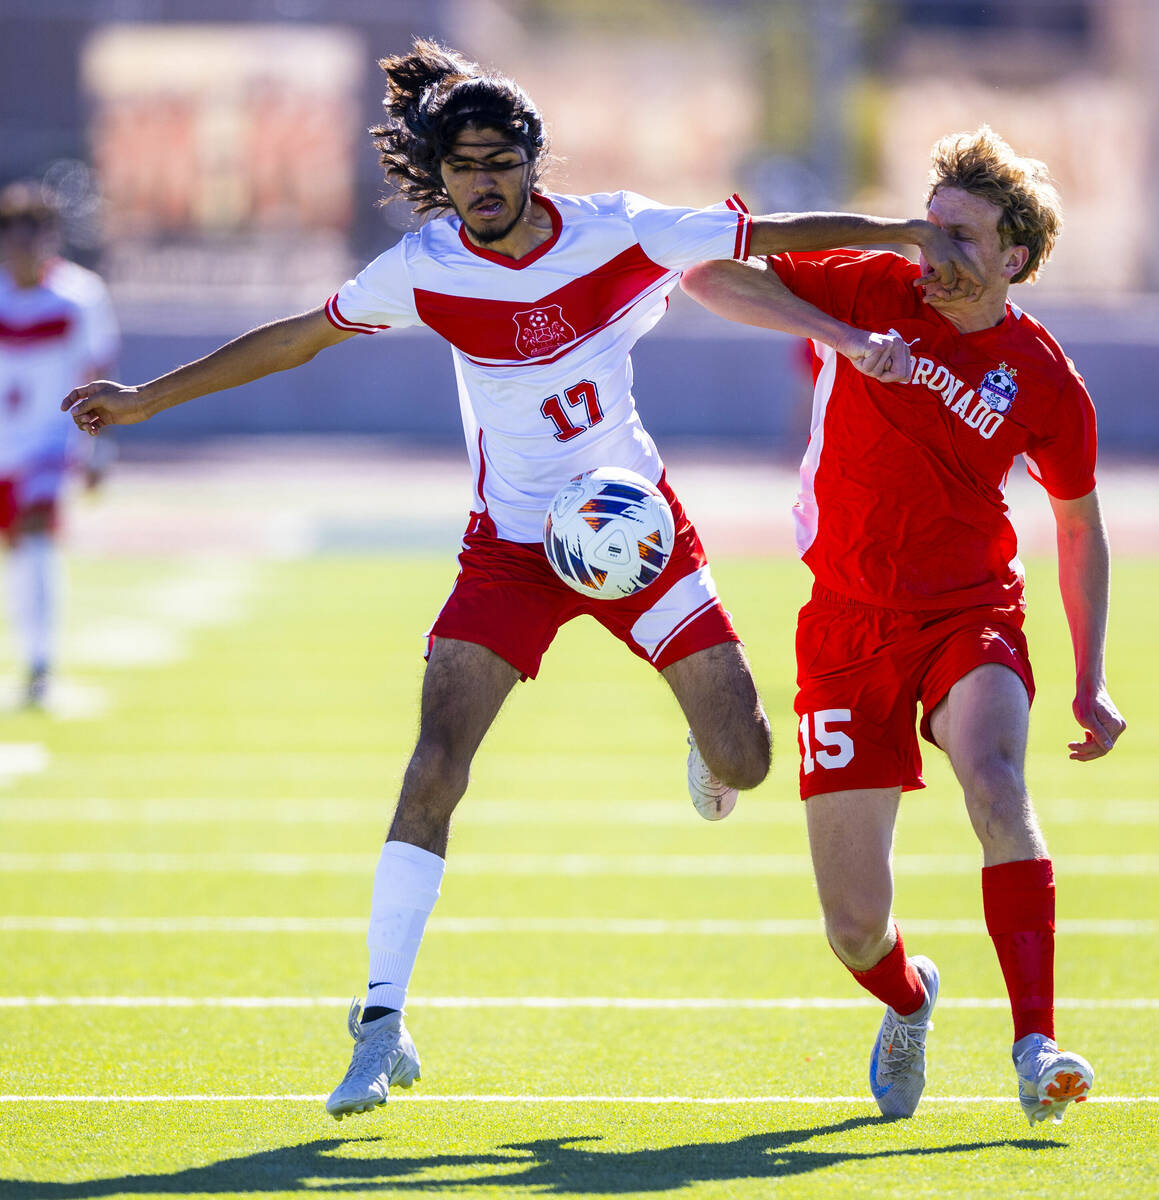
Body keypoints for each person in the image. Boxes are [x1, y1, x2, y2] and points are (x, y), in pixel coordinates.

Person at [63, 39, 979, 1120]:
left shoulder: (615, 229)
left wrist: (896, 230)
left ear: (532, 163)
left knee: (746, 759)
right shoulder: (423, 267)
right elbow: (296, 340)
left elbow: (762, 237)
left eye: (499, 160)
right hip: (511, 546)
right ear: (439, 174)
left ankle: (706, 738)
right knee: (433, 761)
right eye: (462, 166)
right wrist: (145, 402)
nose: (481, 182)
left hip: (638, 534)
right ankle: (378, 1021)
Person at [680, 125, 1126, 1126]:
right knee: (852, 928)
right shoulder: (872, 287)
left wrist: (1090, 676)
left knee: (996, 780)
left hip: (970, 614)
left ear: (1014, 255)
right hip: (843, 624)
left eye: (960, 238)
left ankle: (1035, 1044)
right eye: (928, 230)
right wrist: (836, 337)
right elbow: (708, 274)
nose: (932, 254)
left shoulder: (1045, 379)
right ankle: (909, 1000)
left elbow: (1077, 524)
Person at [1, 181, 119, 708]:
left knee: (36, 535)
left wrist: (99, 451)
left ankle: (40, 665)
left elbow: (98, 376)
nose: (25, 248)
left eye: (35, 236)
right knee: (17, 552)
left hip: (51, 442)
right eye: (15, 237)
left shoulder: (80, 294)